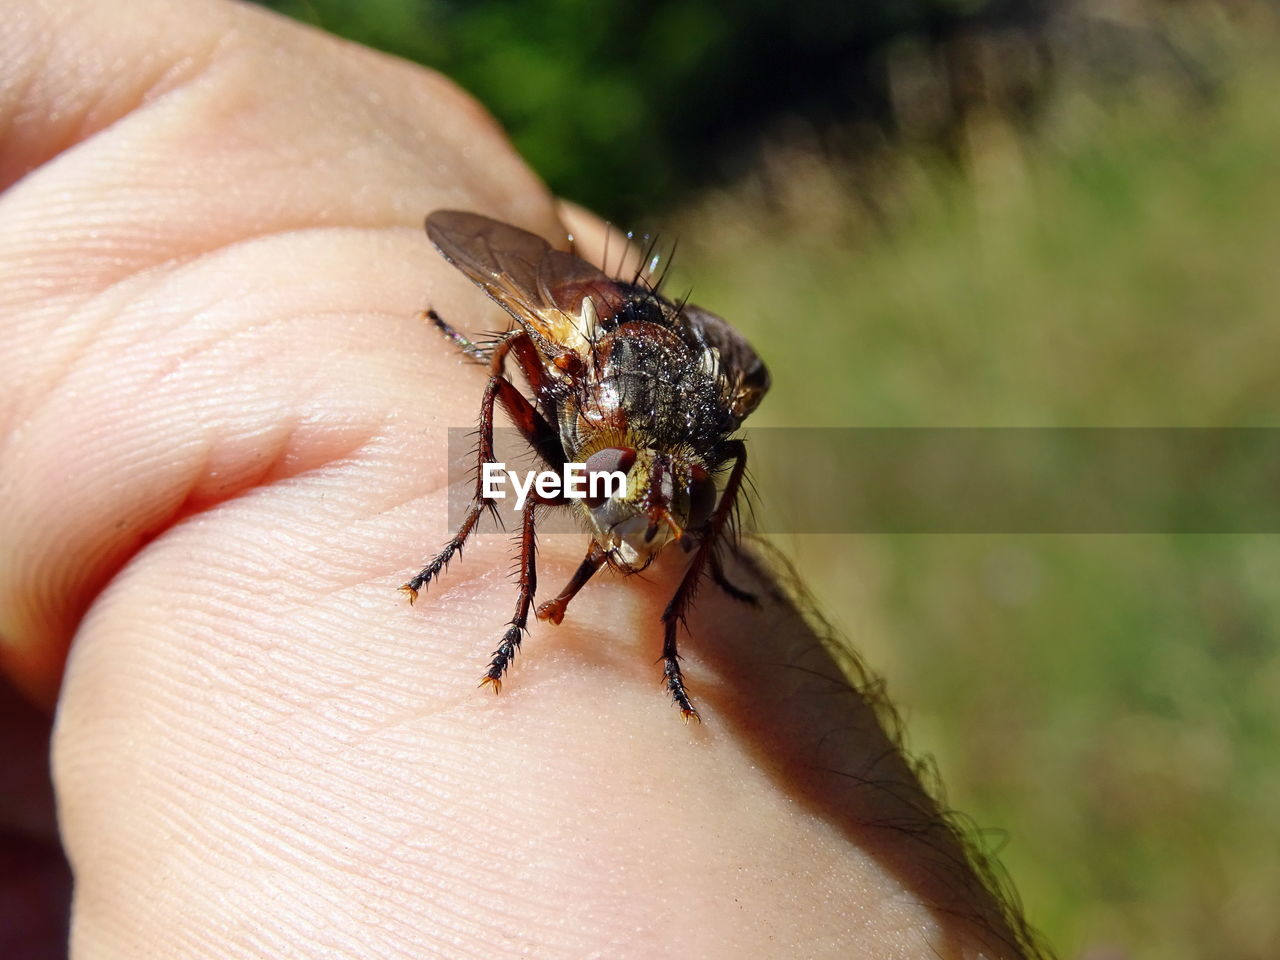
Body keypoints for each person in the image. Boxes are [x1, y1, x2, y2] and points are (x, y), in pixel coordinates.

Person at [0, 1, 1041, 956]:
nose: (640, 487)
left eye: (660, 476)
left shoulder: (696, 431)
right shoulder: (579, 384)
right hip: (586, 330)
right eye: (636, 468)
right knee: (508, 382)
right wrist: (482, 518)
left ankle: (671, 604)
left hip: (660, 356)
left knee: (698, 468)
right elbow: (543, 387)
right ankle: (489, 560)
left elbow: (721, 423)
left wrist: (689, 579)